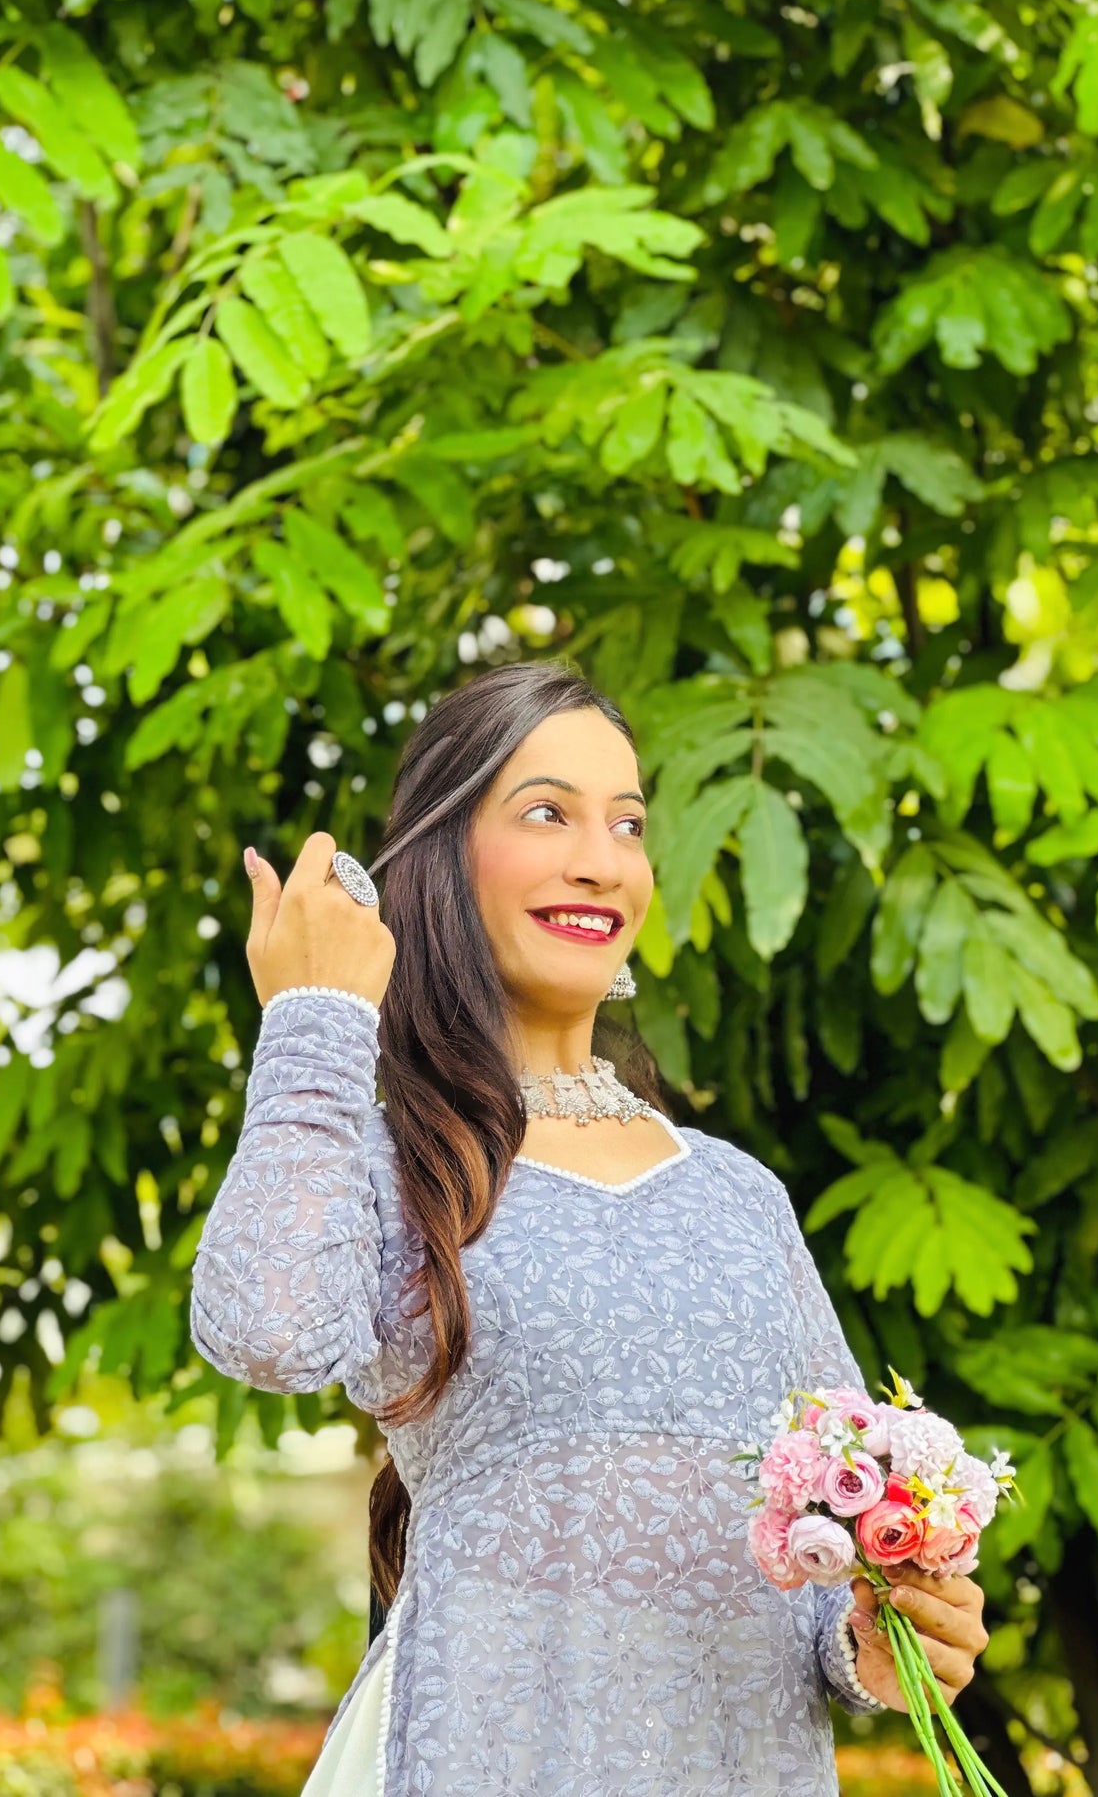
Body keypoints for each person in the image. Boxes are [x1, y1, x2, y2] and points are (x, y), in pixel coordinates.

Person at [189, 661, 989, 1796]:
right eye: (545, 812)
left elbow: (821, 1552)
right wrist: (316, 1021)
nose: (600, 859)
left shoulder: (736, 1195)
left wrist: (881, 1637)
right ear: (437, 862)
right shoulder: (391, 1157)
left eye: (626, 823)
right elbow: (265, 1330)